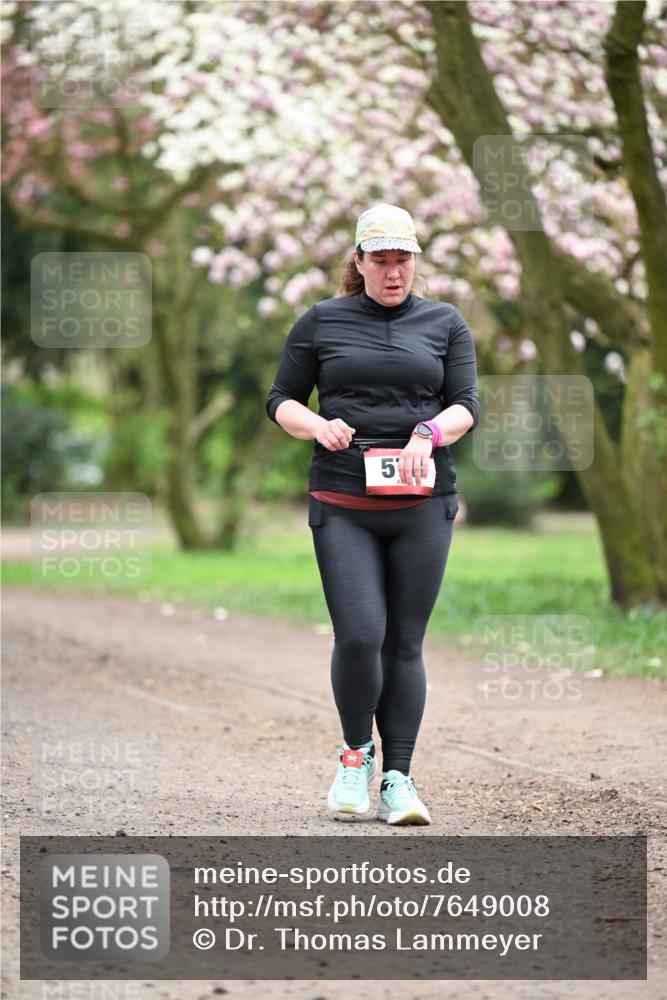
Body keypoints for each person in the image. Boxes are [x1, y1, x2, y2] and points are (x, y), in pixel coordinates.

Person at [265, 203, 479, 825]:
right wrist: (317, 424)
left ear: (416, 261)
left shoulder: (446, 323)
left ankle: (399, 780)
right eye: (380, 261)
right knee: (361, 635)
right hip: (342, 502)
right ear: (358, 262)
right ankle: (355, 759)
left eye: (403, 260)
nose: (393, 273)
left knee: (405, 644)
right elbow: (280, 399)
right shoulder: (321, 321)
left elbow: (465, 403)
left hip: (422, 503)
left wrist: (427, 434)